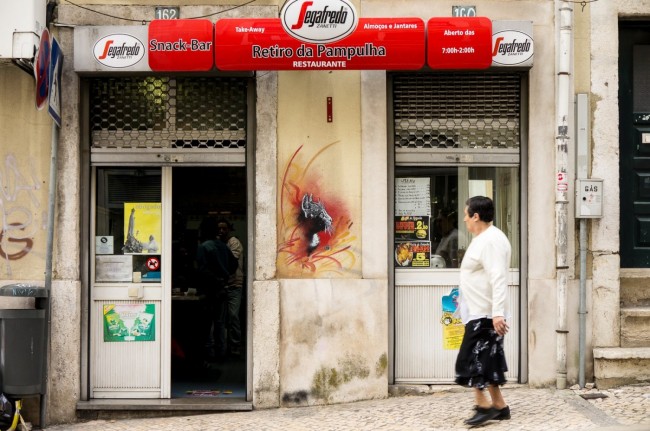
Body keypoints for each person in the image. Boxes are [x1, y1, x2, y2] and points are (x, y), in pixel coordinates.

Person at [454, 196, 511, 426]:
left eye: (466, 215)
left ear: (475, 216)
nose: (465, 219)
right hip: (481, 312)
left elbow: (498, 277)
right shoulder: (486, 238)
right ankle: (500, 406)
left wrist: (497, 312)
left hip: (485, 315)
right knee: (488, 361)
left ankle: (483, 406)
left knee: (469, 361)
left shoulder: (490, 241)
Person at [195, 217, 237, 361]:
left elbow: (202, 269)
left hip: (208, 290)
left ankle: (209, 353)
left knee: (206, 324)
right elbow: (234, 264)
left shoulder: (203, 247)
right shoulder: (223, 246)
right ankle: (221, 352)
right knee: (220, 323)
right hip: (222, 288)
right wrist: (224, 276)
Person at [217, 218, 244, 356]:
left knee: (233, 316)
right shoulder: (218, 243)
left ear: (229, 229)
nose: (221, 231)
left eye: (224, 228)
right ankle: (222, 346)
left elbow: (230, 261)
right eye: (219, 228)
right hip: (222, 285)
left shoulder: (234, 242)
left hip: (234, 284)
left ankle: (235, 345)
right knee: (221, 318)